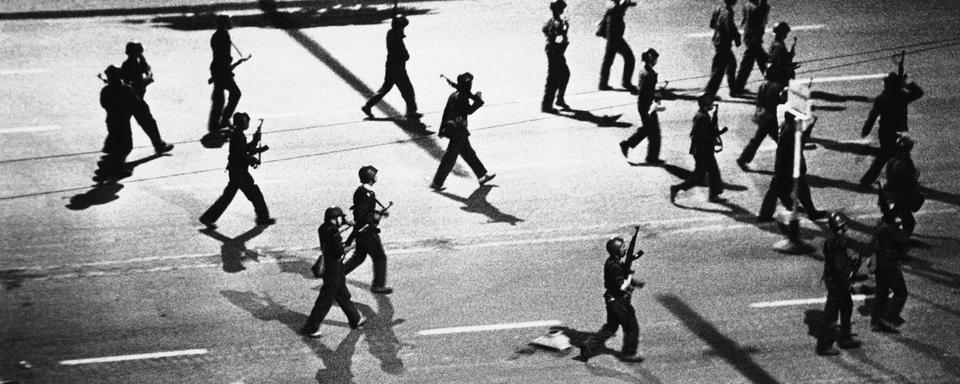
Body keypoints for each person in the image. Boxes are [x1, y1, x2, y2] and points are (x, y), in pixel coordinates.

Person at [581, 227, 645, 363]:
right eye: (622, 247)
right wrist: (630, 277)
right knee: (631, 327)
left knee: (611, 327)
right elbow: (622, 286)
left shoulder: (612, 262)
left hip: (611, 301)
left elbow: (622, 275)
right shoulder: (614, 266)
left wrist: (634, 282)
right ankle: (629, 354)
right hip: (619, 302)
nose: (625, 249)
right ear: (617, 250)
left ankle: (588, 344)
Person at [301, 206, 367, 338]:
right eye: (340, 218)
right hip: (334, 270)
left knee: (342, 295)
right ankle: (311, 327)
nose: (342, 219)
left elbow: (333, 233)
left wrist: (347, 224)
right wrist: (354, 244)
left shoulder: (323, 228)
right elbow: (340, 253)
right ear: (334, 219)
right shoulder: (334, 234)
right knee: (325, 300)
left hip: (331, 268)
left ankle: (355, 319)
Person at [199, 112, 274, 227]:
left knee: (231, 197)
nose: (247, 124)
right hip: (239, 173)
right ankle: (262, 218)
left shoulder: (237, 134)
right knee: (252, 194)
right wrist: (253, 158)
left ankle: (207, 218)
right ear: (243, 123)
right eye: (246, 122)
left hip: (237, 172)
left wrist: (254, 141)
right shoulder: (238, 135)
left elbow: (243, 150)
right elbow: (241, 155)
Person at [430, 73, 496, 191]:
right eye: (469, 84)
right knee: (449, 159)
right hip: (458, 132)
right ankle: (437, 183)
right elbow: (469, 110)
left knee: (469, 154)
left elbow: (445, 113)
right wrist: (478, 101)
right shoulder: (462, 97)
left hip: (458, 131)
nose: (470, 86)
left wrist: (441, 129)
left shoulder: (454, 95)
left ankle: (481, 176)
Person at [757, 111, 827, 221]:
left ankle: (767, 214)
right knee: (780, 189)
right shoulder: (792, 131)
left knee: (797, 188)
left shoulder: (787, 126)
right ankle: (767, 214)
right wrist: (811, 124)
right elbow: (802, 140)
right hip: (789, 165)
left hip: (784, 164)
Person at [859, 73, 924, 186]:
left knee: (897, 154)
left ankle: (911, 176)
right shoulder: (902, 96)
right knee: (889, 155)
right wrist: (908, 83)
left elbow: (872, 116)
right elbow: (919, 93)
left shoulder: (881, 98)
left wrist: (866, 130)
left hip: (885, 132)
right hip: (895, 132)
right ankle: (867, 180)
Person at [815, 212, 863, 356]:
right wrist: (848, 277)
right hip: (836, 283)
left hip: (838, 280)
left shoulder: (836, 240)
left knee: (847, 306)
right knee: (831, 314)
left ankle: (845, 338)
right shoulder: (836, 242)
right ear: (841, 226)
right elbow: (838, 266)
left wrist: (851, 265)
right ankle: (824, 345)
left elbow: (842, 261)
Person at [343, 166, 393, 295]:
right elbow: (361, 215)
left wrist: (378, 213)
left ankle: (335, 276)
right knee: (380, 257)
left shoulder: (366, 191)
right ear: (370, 177)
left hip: (363, 231)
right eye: (374, 175)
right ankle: (378, 285)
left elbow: (366, 211)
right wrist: (375, 216)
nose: (376, 176)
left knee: (359, 257)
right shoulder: (365, 193)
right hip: (367, 231)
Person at [361, 14, 421, 121]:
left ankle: (368, 105)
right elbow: (403, 54)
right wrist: (406, 55)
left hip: (390, 66)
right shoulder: (396, 36)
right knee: (408, 90)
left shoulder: (391, 33)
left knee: (385, 88)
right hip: (398, 68)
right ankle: (411, 111)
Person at [670, 95, 725, 203]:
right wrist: (717, 133)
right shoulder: (703, 117)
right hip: (703, 151)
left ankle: (677, 188)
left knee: (702, 176)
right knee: (711, 173)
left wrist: (713, 121)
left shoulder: (702, 115)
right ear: (706, 105)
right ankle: (712, 195)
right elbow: (705, 136)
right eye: (710, 104)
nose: (712, 106)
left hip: (701, 150)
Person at [869, 192, 910, 333]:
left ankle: (876, 321)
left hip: (880, 262)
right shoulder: (891, 230)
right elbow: (903, 241)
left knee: (881, 292)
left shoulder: (880, 225)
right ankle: (888, 317)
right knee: (901, 292)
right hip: (889, 264)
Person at [619, 48, 663, 164]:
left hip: (644, 105)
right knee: (654, 134)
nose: (656, 61)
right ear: (651, 58)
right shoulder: (649, 74)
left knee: (647, 129)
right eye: (655, 59)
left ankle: (628, 145)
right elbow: (647, 91)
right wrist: (657, 95)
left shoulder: (644, 69)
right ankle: (651, 157)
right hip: (648, 106)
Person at [737, 70, 785, 169]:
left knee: (757, 139)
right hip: (771, 118)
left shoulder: (763, 85)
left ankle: (743, 158)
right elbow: (779, 103)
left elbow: (759, 101)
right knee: (781, 141)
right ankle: (785, 165)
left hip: (764, 116)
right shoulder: (777, 87)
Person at [97, 65, 138, 181]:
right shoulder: (126, 89)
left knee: (114, 143)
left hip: (111, 120)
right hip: (123, 120)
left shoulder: (106, 90)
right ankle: (110, 165)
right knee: (126, 146)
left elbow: (103, 104)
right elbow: (135, 103)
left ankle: (107, 167)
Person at [208, 15, 247, 132]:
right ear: (225, 23)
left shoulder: (217, 35)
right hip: (222, 70)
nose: (231, 23)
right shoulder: (223, 35)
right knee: (235, 93)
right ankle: (224, 119)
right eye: (229, 21)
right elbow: (222, 56)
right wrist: (230, 67)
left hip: (218, 69)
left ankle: (216, 123)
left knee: (219, 98)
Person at [883, 135, 922, 238]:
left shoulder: (895, 160)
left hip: (893, 194)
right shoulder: (902, 163)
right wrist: (913, 182)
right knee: (908, 221)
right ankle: (900, 240)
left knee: (899, 217)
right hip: (900, 196)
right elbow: (905, 182)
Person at [703, 0, 741, 98]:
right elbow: (730, 27)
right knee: (720, 70)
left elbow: (712, 24)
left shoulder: (718, 8)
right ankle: (709, 93)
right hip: (724, 43)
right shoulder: (728, 12)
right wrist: (736, 37)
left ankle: (733, 89)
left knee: (728, 65)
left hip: (717, 40)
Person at [597, 0, 638, 92]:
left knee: (608, 60)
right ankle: (626, 82)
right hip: (614, 37)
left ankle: (603, 84)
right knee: (629, 58)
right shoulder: (615, 6)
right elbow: (625, 5)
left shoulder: (612, 5)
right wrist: (627, 4)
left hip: (613, 36)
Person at [732, 0, 769, 93]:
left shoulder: (747, 5)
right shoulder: (759, 8)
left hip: (749, 36)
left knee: (756, 61)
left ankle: (737, 87)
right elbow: (761, 18)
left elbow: (744, 20)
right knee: (753, 63)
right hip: (754, 38)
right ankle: (773, 82)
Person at [541, 0, 571, 112]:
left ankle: (558, 99)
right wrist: (565, 29)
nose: (563, 10)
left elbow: (544, 30)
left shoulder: (550, 20)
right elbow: (560, 38)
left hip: (551, 50)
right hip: (556, 52)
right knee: (554, 78)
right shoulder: (558, 22)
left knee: (562, 75)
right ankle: (548, 105)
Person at [765, 22, 798, 86]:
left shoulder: (774, 43)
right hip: (779, 78)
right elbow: (780, 64)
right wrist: (790, 67)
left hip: (772, 74)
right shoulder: (780, 46)